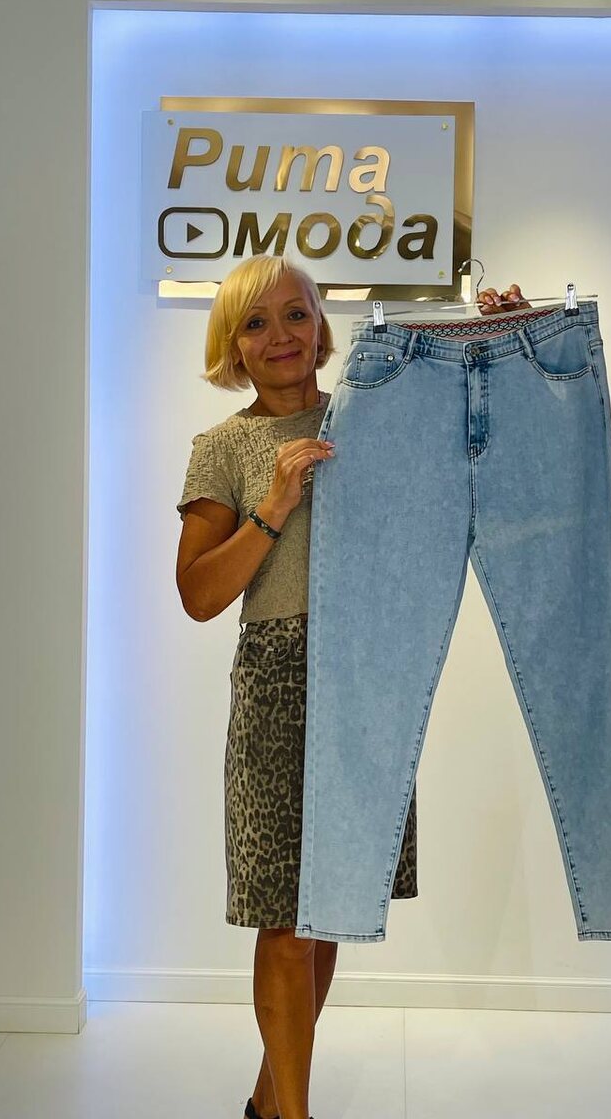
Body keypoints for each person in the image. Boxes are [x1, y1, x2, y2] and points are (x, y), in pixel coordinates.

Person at [175, 254, 529, 1119]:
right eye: (255, 323)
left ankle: (268, 1104)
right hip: (277, 684)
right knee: (283, 918)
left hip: (368, 673)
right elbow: (200, 594)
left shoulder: (375, 419)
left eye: (295, 314)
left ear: (322, 327)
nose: (280, 335)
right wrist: (273, 505)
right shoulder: (222, 448)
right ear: (232, 345)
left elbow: (484, 454)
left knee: (327, 911)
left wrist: (505, 341)